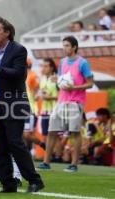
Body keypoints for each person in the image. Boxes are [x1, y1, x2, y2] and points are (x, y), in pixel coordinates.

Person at [0, 17, 44, 193]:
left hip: (14, 101)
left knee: (15, 142)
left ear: (7, 32)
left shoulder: (19, 49)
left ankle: (35, 180)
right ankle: (8, 183)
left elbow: (18, 74)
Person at [38, 36, 94, 172]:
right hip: (61, 101)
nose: (65, 48)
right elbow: (60, 82)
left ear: (74, 47)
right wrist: (57, 80)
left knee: (74, 132)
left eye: (67, 45)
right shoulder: (62, 62)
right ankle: (46, 162)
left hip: (76, 102)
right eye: (63, 45)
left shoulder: (82, 63)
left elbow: (90, 83)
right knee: (52, 131)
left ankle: (74, 164)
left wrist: (73, 88)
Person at [23, 58, 46, 150]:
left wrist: (36, 95)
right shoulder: (21, 75)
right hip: (20, 108)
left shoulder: (32, 75)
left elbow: (36, 93)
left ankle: (44, 146)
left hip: (30, 109)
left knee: (27, 135)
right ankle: (26, 155)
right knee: (22, 135)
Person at [38, 58, 58, 144]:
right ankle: (50, 156)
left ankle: (57, 156)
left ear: (52, 68)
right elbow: (42, 93)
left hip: (55, 111)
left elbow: (62, 96)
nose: (43, 68)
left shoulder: (56, 79)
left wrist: (51, 98)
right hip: (44, 111)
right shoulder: (42, 79)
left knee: (55, 136)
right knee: (45, 136)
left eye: (46, 66)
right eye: (42, 66)